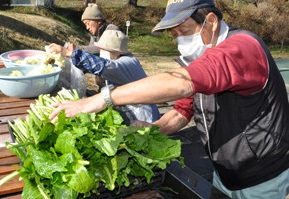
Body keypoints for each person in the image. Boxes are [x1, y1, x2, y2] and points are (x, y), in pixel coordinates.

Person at [49, 0, 289, 198]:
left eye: (183, 32)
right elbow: (182, 112)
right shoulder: (201, 57)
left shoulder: (244, 47)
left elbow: (182, 83)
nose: (179, 41)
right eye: (174, 35)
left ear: (211, 22)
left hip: (261, 176)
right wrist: (153, 129)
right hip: (223, 172)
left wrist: (102, 99)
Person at [48, 29, 160, 125]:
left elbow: (101, 65)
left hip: (143, 120)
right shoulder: (119, 60)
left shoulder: (126, 63)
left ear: (116, 51)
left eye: (104, 50)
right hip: (130, 115)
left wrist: (67, 52)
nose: (101, 53)